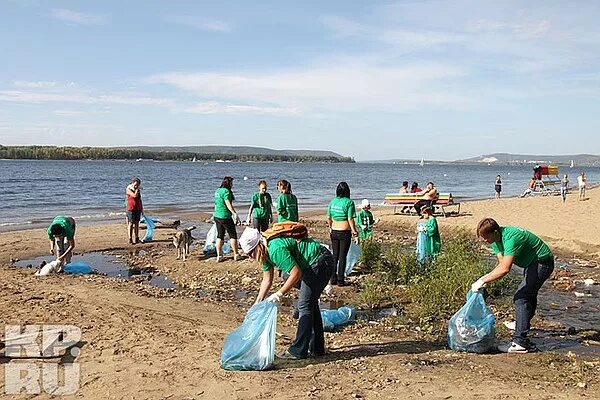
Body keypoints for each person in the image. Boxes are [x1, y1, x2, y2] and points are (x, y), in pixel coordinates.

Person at [239, 227, 334, 359]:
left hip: (321, 262)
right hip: (310, 265)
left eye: (250, 253)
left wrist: (279, 293)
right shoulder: (264, 254)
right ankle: (317, 348)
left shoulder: (275, 250)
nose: (250, 257)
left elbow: (296, 273)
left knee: (304, 306)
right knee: (308, 301)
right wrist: (257, 302)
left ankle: (298, 351)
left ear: (258, 246)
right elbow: (267, 279)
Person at [472, 218, 554, 353]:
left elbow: (505, 269)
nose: (485, 241)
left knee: (521, 297)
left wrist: (482, 281)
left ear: (495, 231)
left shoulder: (511, 237)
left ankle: (519, 342)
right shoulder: (495, 241)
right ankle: (522, 326)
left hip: (542, 262)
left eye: (486, 238)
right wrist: (483, 280)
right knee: (529, 295)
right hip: (531, 263)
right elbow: (500, 264)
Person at [327, 182, 358, 286]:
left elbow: (329, 217)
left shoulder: (333, 202)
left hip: (334, 230)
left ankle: (333, 278)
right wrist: (354, 230)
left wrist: (330, 227)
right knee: (343, 256)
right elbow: (350, 218)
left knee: (335, 255)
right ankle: (340, 280)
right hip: (344, 231)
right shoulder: (349, 202)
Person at [213, 176, 241, 262]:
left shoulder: (217, 191)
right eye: (231, 183)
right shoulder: (226, 191)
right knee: (233, 235)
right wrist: (234, 213)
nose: (232, 185)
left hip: (217, 216)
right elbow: (228, 204)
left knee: (220, 235)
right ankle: (236, 254)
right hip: (225, 216)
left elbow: (216, 204)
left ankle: (219, 255)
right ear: (229, 183)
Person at [126, 177, 144, 244]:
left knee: (137, 224)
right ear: (132, 183)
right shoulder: (128, 189)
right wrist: (136, 190)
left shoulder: (138, 190)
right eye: (135, 185)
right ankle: (130, 239)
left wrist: (142, 208)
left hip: (138, 208)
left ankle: (136, 238)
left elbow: (139, 199)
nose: (136, 186)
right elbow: (134, 195)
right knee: (131, 224)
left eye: (138, 185)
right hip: (131, 208)